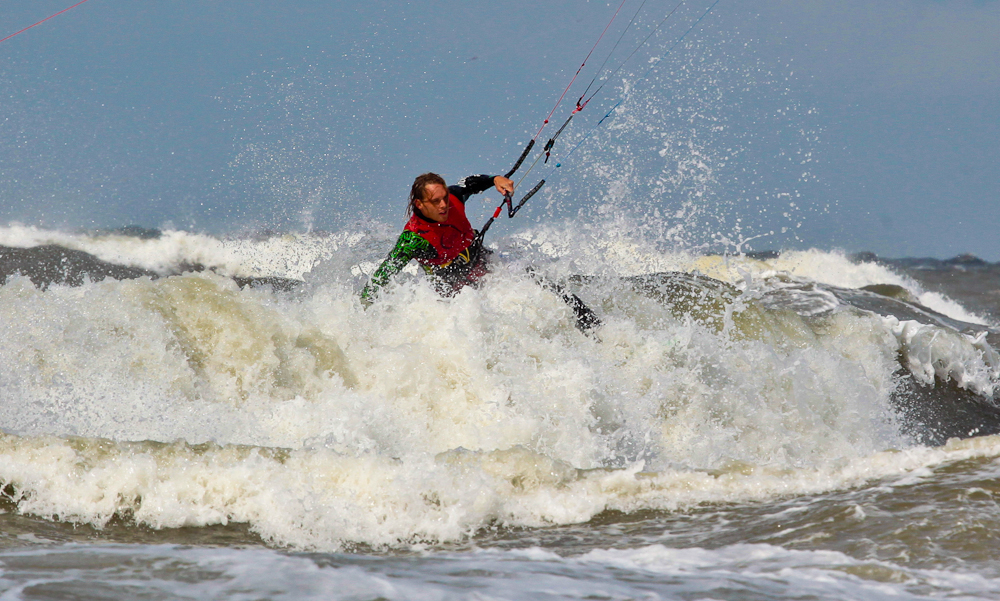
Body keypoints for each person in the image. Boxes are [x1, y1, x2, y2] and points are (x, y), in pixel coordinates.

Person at [361, 172, 601, 333]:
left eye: (444, 198)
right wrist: (359, 315)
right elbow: (382, 277)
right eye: (436, 202)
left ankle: (592, 327)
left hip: (484, 262)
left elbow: (470, 184)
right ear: (420, 205)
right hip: (453, 290)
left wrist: (496, 179)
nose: (443, 205)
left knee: (538, 278)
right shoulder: (412, 239)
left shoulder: (453, 197)